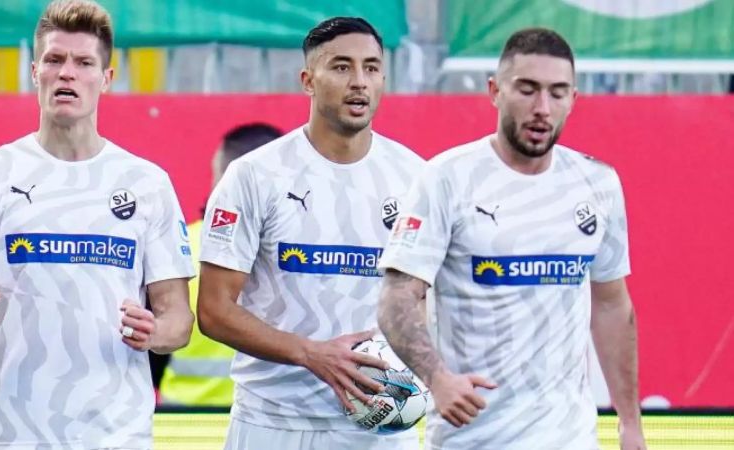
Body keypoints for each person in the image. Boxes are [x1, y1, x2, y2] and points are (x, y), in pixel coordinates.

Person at [0, 1, 195, 448]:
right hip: (13, 435)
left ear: (106, 78)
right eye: (54, 60)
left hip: (117, 436)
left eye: (83, 62)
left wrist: (155, 332)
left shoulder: (147, 183)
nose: (66, 73)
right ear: (36, 72)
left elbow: (179, 320)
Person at [377, 28, 647, 450]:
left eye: (558, 93)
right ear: (495, 91)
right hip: (473, 438)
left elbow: (612, 305)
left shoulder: (597, 183)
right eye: (528, 89)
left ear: (573, 100)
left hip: (570, 439)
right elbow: (397, 297)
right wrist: (437, 378)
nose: (543, 108)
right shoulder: (446, 178)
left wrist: (630, 423)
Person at [197, 17, 424, 450]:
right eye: (341, 67)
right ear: (308, 80)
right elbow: (213, 310)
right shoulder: (253, 176)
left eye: (371, 68)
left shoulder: (417, 179)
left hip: (378, 426)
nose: (359, 81)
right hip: (270, 422)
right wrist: (310, 353)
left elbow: (430, 301)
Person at [160, 123, 283, 407]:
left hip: (182, 423)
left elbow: (153, 348)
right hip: (270, 419)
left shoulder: (181, 244)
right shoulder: (302, 254)